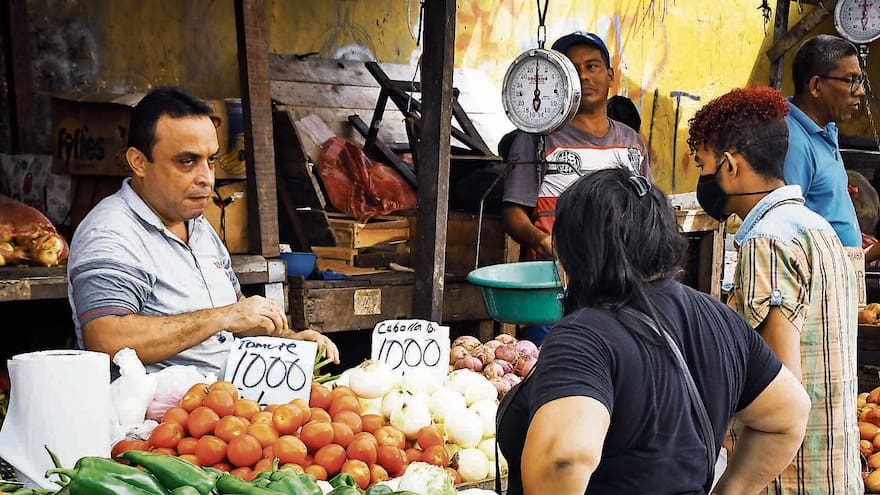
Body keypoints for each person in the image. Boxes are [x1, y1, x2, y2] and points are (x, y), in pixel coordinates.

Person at [496, 167, 811, 495]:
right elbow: (789, 413)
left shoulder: (583, 336)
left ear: (576, 249)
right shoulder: (721, 319)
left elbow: (564, 458)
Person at [67, 87, 339, 377]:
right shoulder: (111, 233)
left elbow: (236, 314)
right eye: (187, 162)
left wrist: (288, 341)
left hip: (225, 408)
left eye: (210, 160)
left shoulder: (197, 224)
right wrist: (221, 317)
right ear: (138, 162)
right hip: (158, 417)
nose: (207, 179)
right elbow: (106, 339)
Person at [689, 86, 862, 493]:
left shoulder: (766, 243)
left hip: (787, 479)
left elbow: (781, 391)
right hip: (833, 470)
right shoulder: (817, 228)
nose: (703, 179)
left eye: (703, 165)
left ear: (729, 167)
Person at [501, 31, 651, 346]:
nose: (584, 76)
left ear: (611, 76)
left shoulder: (633, 143)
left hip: (620, 288)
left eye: (592, 66)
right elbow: (513, 212)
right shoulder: (535, 139)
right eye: (573, 68)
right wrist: (542, 241)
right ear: (560, 78)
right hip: (554, 288)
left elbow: (646, 213)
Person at [784, 34, 864, 248]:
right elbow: (786, 230)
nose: (860, 91)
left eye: (860, 81)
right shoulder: (793, 141)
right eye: (851, 81)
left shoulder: (824, 130)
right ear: (816, 86)